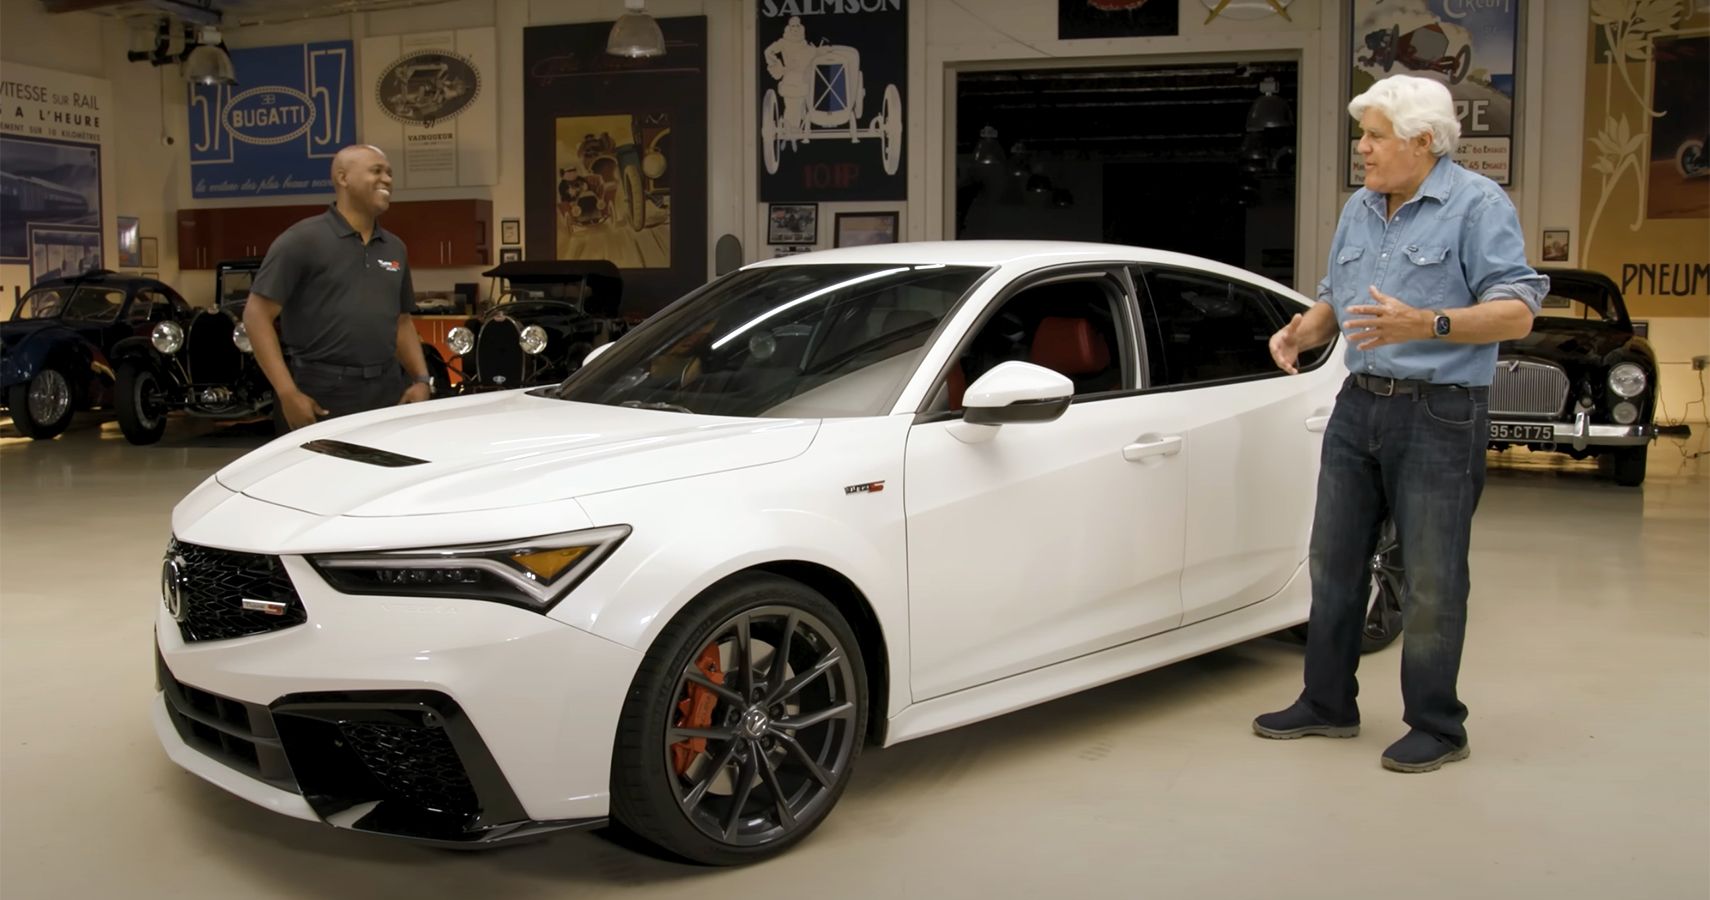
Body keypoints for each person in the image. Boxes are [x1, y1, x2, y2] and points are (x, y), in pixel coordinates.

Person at [1252, 75, 1549, 773]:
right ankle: (1327, 704)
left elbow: (1519, 309)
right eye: (1363, 135)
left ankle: (1439, 726)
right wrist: (1306, 330)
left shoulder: (1477, 205)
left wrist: (1430, 323)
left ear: (1422, 142)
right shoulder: (1360, 207)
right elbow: (1339, 294)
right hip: (1360, 402)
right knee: (1334, 559)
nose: (1363, 149)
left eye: (1376, 135)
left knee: (1432, 575)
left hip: (1440, 411)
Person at [244, 144, 432, 431]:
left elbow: (402, 321)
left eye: (390, 173)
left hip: (388, 391)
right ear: (343, 178)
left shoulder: (395, 248)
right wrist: (287, 392)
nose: (387, 179)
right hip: (322, 392)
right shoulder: (301, 240)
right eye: (376, 171)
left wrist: (420, 380)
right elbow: (256, 316)